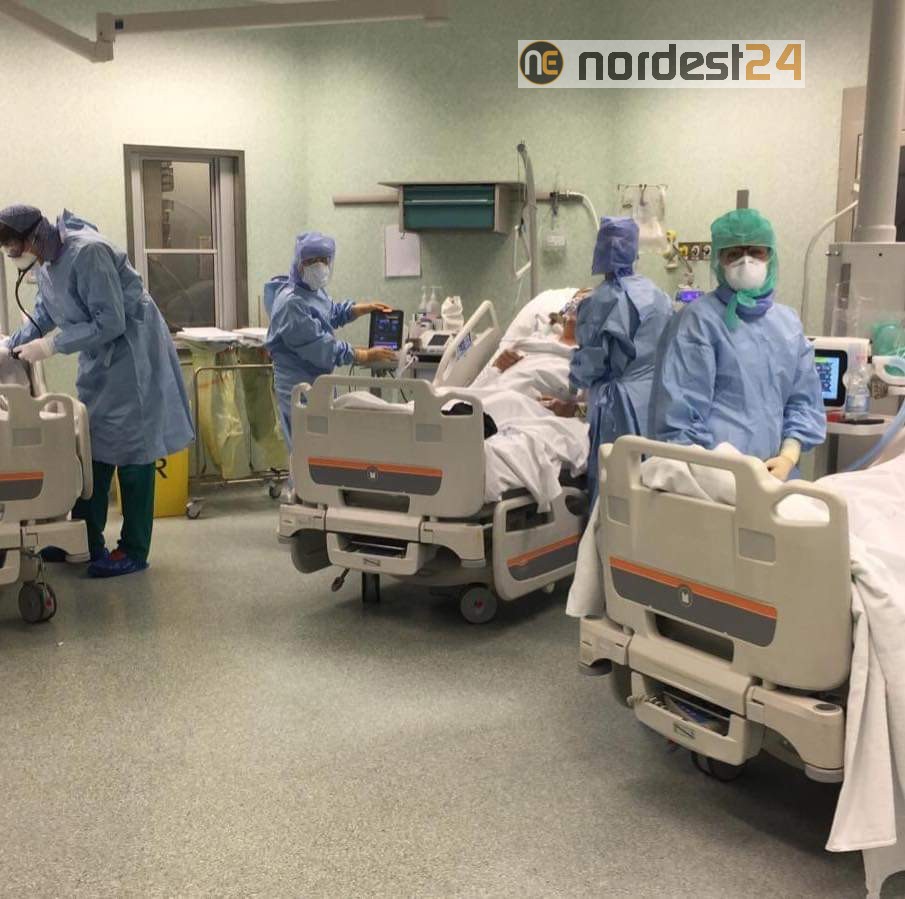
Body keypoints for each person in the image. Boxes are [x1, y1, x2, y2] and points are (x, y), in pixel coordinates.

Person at [0, 205, 194, 578]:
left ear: (34, 236)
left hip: (131, 358)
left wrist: (51, 346)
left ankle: (134, 549)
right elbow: (44, 313)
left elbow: (112, 321)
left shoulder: (88, 253)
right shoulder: (48, 265)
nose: (14, 256)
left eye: (15, 247)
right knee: (94, 446)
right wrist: (13, 346)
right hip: (99, 359)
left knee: (134, 453)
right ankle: (87, 539)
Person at [649, 208, 826, 479]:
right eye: (734, 254)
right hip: (711, 474)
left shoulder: (787, 323)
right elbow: (680, 417)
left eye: (756, 252)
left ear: (771, 256)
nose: (746, 261)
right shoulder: (698, 321)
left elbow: (803, 400)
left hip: (774, 473)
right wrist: (718, 474)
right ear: (719, 260)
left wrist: (788, 455)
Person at [544, 218, 673, 502]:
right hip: (653, 401)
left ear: (599, 251)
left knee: (614, 487)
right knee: (652, 486)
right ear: (635, 251)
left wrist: (574, 382)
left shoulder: (599, 301)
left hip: (619, 405)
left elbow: (591, 365)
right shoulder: (659, 297)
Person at [265, 231, 396, 445]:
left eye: (324, 260)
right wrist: (363, 355)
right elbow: (320, 347)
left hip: (318, 382)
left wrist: (359, 309)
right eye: (312, 261)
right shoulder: (291, 303)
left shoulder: (313, 291)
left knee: (324, 448)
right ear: (299, 264)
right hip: (298, 385)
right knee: (307, 449)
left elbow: (328, 313)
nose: (320, 265)